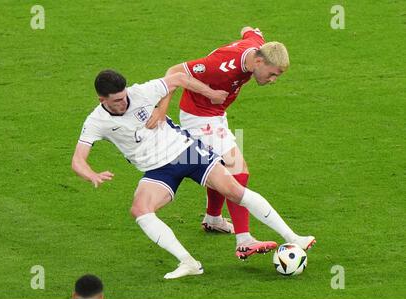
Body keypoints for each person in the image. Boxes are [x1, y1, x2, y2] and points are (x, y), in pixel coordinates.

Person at [72, 69, 311, 279]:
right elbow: (77, 160)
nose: (124, 103)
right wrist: (91, 174)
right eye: (116, 101)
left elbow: (177, 78)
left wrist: (208, 94)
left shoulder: (140, 92)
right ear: (102, 99)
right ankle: (189, 262)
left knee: (234, 189)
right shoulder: (96, 121)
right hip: (157, 170)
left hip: (186, 152)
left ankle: (293, 237)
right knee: (140, 210)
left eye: (124, 97)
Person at [146, 26, 316, 258]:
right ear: (258, 61)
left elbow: (251, 32)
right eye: (273, 74)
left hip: (216, 114)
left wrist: (249, 29)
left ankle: (213, 218)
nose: (273, 80)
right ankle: (245, 240)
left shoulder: (257, 46)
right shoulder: (221, 65)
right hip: (200, 117)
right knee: (238, 171)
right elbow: (173, 71)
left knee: (220, 167)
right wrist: (163, 109)